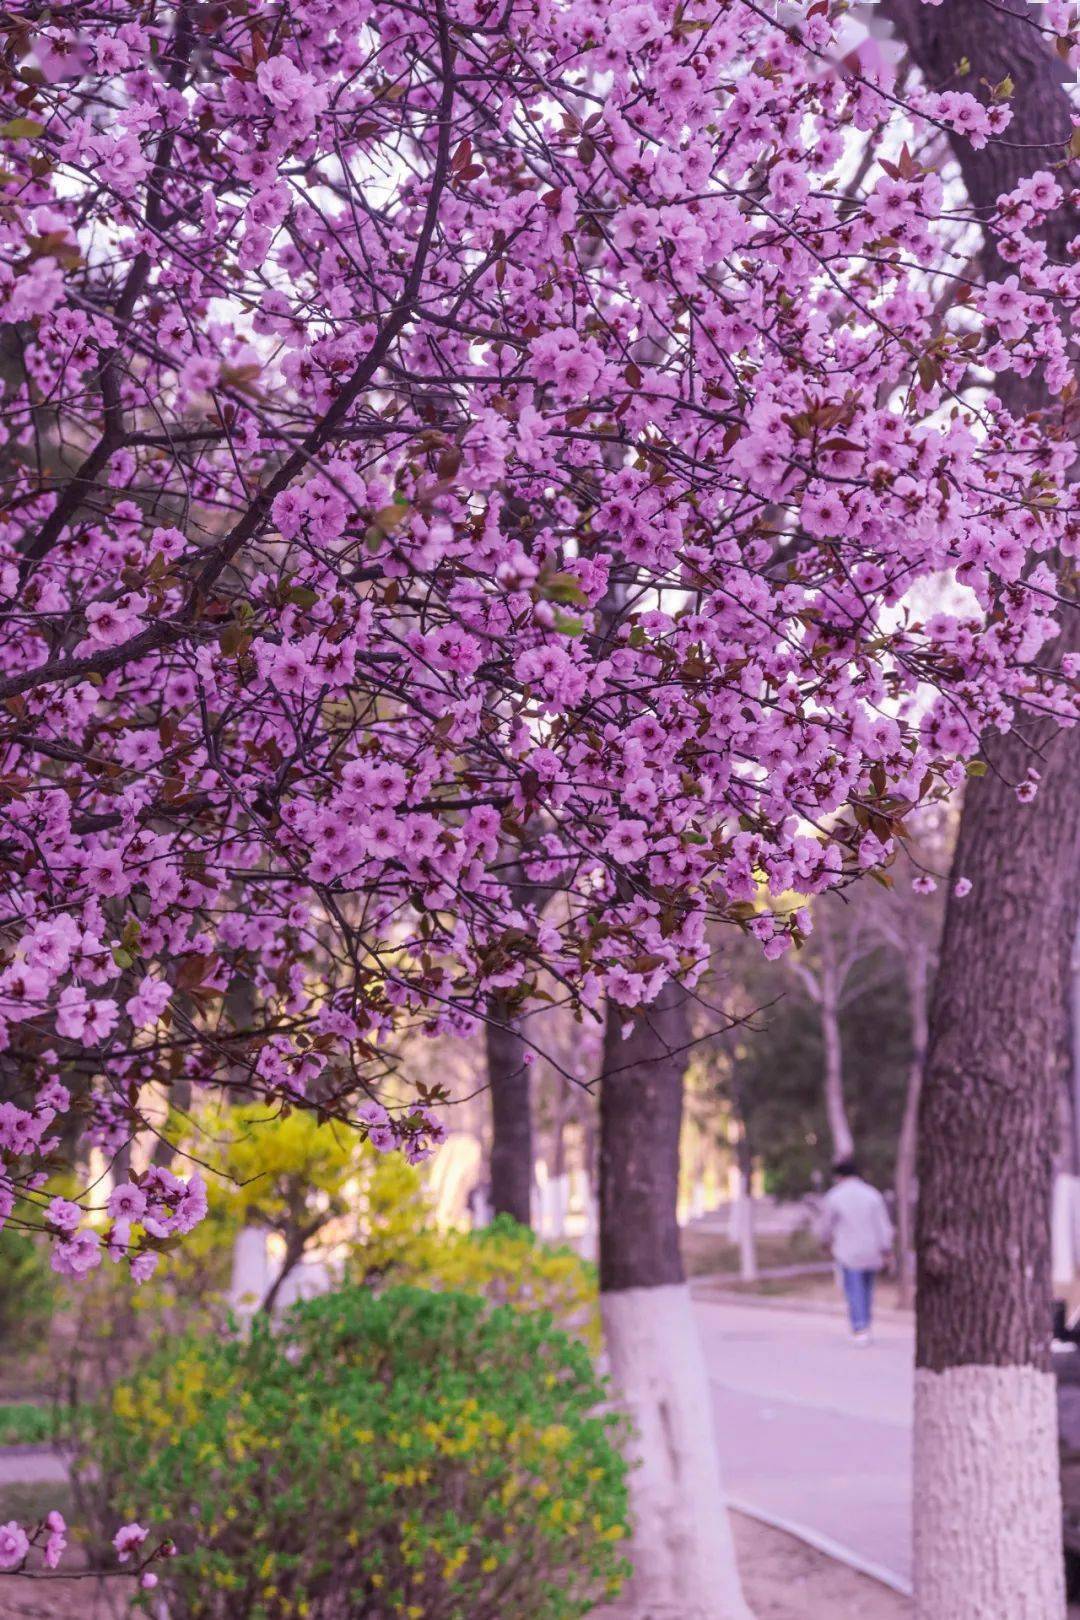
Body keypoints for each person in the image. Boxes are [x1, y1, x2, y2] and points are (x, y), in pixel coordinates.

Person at [819, 1158, 894, 1344]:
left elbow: (826, 1225)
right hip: (872, 1250)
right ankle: (866, 1323)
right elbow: (883, 1225)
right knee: (867, 1289)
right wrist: (887, 1249)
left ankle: (860, 1327)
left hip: (848, 1251)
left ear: (838, 1177)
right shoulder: (872, 1195)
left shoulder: (834, 1196)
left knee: (854, 1290)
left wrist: (825, 1242)